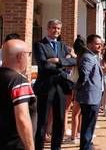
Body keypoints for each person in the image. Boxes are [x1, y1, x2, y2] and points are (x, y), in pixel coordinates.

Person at [0, 39, 36, 150]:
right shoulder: (19, 81)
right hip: (14, 145)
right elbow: (22, 118)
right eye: (28, 54)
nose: (28, 58)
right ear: (20, 56)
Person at [33, 19, 77, 150]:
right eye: (53, 28)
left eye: (58, 28)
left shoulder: (63, 46)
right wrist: (64, 63)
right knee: (43, 121)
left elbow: (74, 60)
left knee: (60, 121)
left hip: (60, 87)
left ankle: (56, 147)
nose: (56, 31)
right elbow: (43, 65)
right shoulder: (39, 45)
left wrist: (57, 60)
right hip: (45, 87)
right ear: (48, 28)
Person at [76, 34, 104, 150]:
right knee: (88, 124)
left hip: (93, 96)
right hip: (89, 96)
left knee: (90, 124)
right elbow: (83, 76)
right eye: (97, 44)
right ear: (89, 44)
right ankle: (86, 147)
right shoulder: (88, 57)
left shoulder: (93, 56)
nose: (100, 46)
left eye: (100, 44)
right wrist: (78, 89)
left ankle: (88, 145)